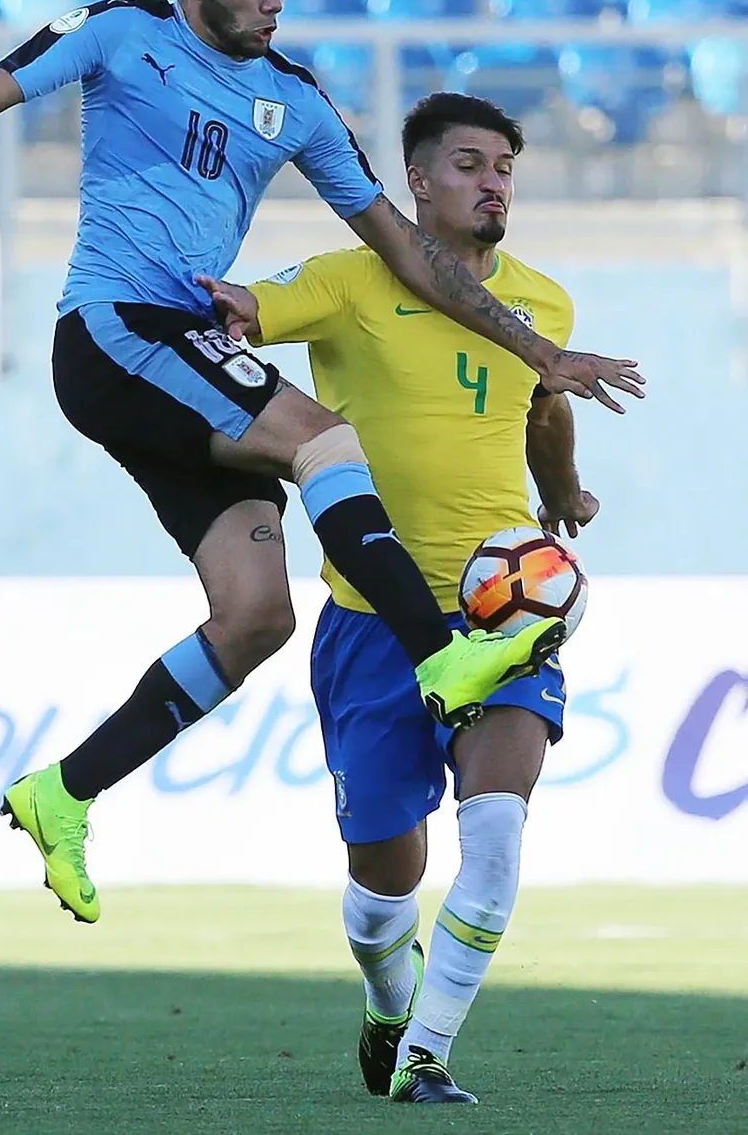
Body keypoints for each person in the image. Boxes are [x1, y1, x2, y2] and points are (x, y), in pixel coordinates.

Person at [0, 0, 641, 927]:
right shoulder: (122, 34)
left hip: (184, 351)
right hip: (122, 326)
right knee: (325, 438)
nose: (271, 1)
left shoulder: (295, 101)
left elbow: (412, 256)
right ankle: (440, 652)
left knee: (256, 615)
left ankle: (61, 792)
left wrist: (536, 349)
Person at [206, 92, 605, 1104]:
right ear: (415, 181)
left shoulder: (543, 302)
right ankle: (390, 1005)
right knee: (382, 887)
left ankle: (426, 1051)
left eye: (504, 167)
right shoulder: (346, 279)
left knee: (498, 831)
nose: (492, 182)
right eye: (468, 163)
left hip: (502, 615)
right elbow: (242, 311)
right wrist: (187, 308)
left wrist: (557, 488)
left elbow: (540, 402)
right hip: (374, 625)